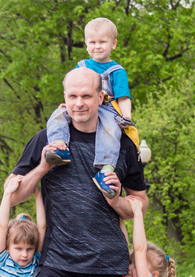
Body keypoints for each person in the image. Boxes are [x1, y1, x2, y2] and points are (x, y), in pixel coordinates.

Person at [9, 67, 148, 277]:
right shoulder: (47, 139)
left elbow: (140, 204)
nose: (79, 104)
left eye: (86, 96)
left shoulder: (121, 146)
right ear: (64, 98)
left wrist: (116, 198)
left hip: (105, 263)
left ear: (101, 97)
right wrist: (43, 165)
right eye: (72, 96)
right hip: (58, 260)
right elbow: (14, 194)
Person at [44, 17, 138, 199]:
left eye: (103, 42)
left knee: (111, 130)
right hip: (82, 105)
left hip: (106, 108)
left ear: (113, 44)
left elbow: (123, 97)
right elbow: (73, 87)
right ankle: (59, 145)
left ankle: (106, 169)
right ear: (86, 44)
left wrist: (126, 115)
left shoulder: (116, 71)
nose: (97, 46)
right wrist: (69, 102)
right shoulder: (82, 66)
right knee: (58, 114)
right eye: (92, 42)